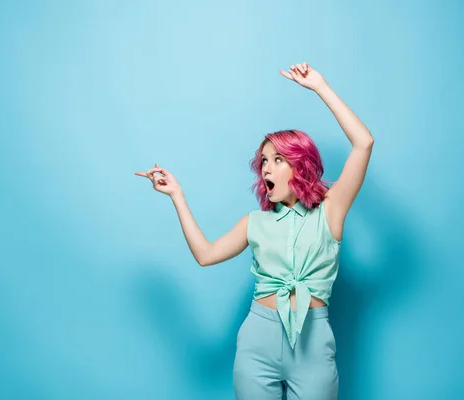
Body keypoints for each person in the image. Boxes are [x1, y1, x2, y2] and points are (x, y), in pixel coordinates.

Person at [135, 61, 374, 400]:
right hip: (257, 341)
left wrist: (320, 87)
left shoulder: (330, 210)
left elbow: (363, 142)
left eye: (278, 159)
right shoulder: (255, 222)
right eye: (263, 161)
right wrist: (178, 197)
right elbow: (206, 255)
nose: (266, 168)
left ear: (300, 165)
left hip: (313, 342)